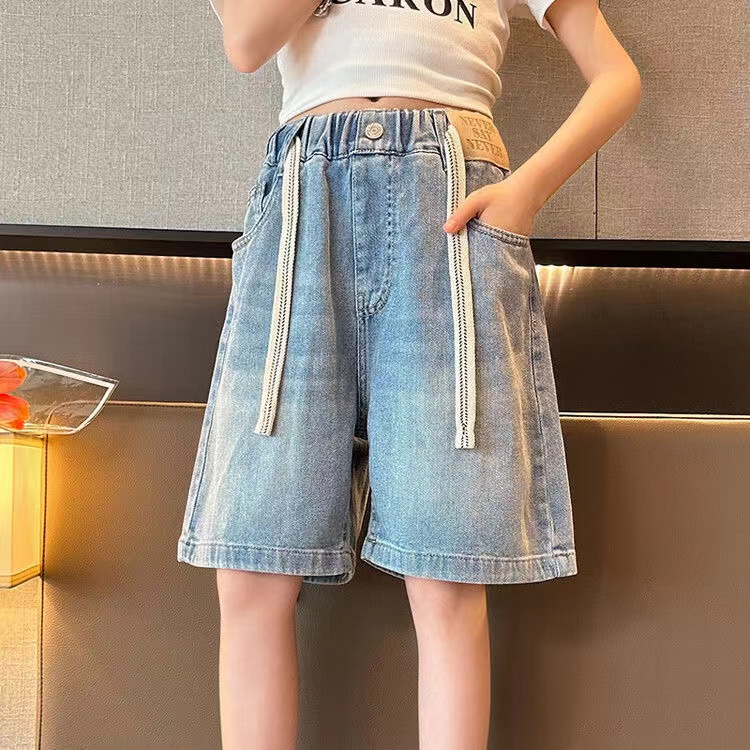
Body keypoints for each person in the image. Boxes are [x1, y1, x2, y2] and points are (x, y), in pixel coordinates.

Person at [177, 1, 641, 747]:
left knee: (447, 569)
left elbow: (616, 76)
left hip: (451, 209)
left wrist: (525, 193)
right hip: (304, 207)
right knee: (253, 566)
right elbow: (246, 42)